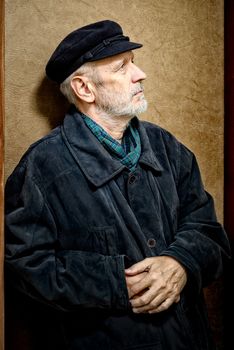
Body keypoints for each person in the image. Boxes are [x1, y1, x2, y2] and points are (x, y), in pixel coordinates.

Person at [5, 19, 230, 350]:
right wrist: (117, 283)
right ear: (85, 89)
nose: (140, 75)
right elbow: (26, 265)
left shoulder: (168, 148)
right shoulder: (42, 167)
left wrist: (181, 262)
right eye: (122, 68)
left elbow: (209, 232)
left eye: (133, 64)